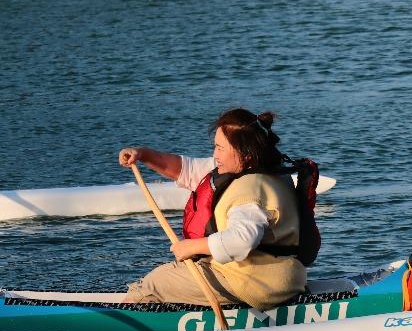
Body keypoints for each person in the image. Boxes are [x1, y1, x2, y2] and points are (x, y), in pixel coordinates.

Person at [119, 108, 309, 310]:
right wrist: (143, 155)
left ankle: (117, 328)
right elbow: (187, 169)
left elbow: (241, 241)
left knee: (154, 282)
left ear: (246, 155)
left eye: (220, 148)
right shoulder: (258, 169)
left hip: (255, 284)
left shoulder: (250, 191)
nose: (215, 154)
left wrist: (191, 247)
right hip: (279, 278)